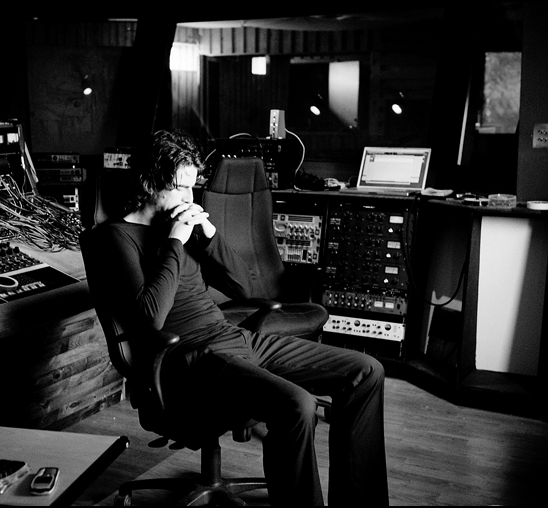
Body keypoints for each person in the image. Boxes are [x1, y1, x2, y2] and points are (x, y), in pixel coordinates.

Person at [91, 130, 389, 506]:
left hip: (232, 337)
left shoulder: (186, 228)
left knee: (366, 371)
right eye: (180, 188)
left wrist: (209, 234)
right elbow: (150, 317)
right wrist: (173, 242)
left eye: (192, 187)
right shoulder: (117, 237)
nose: (189, 197)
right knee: (297, 405)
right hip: (191, 358)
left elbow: (247, 288)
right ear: (152, 182)